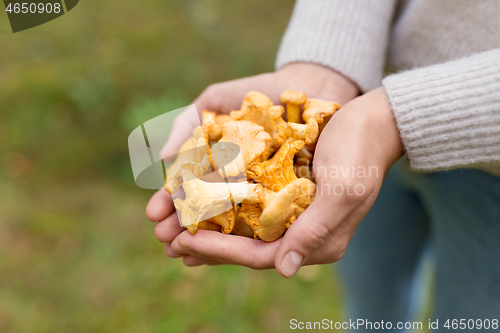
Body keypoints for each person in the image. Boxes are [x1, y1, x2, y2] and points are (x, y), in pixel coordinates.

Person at [147, 0, 500, 329]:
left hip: (487, 168)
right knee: (370, 286)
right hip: (352, 134)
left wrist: (393, 119)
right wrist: (325, 66)